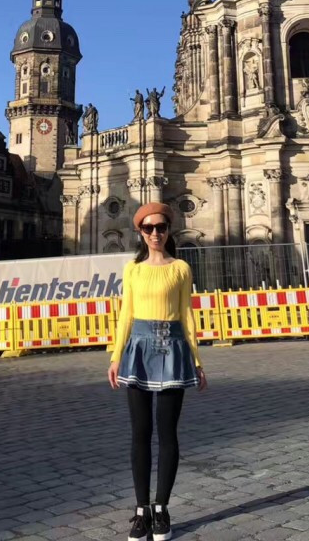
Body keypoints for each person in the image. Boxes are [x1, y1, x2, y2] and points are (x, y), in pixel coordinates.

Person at [108, 202, 207, 541]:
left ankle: (161, 508)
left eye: (160, 227)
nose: (155, 233)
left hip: (173, 349)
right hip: (138, 349)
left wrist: (197, 360)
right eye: (148, 228)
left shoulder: (180, 268)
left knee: (167, 433)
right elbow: (126, 314)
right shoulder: (132, 270)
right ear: (140, 232)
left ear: (168, 231)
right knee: (140, 432)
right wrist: (115, 357)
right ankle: (141, 511)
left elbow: (187, 314)